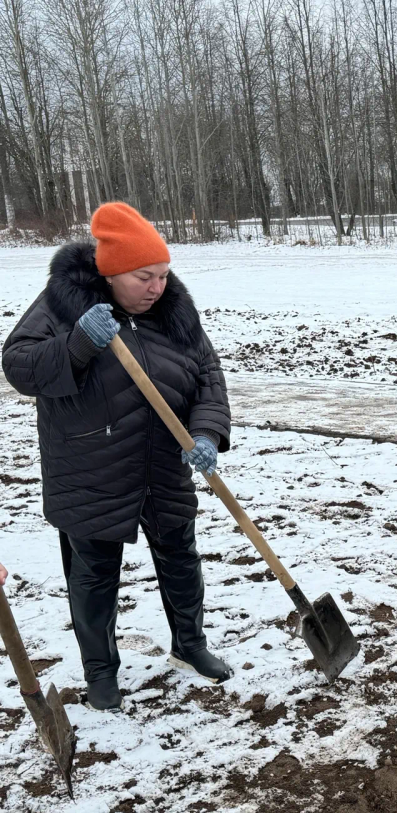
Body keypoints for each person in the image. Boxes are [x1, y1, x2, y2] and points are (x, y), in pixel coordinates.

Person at [2, 203, 233, 712]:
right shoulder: (62, 305)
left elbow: (207, 375)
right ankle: (101, 673)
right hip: (90, 470)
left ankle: (190, 646)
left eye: (164, 274)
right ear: (111, 273)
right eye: (143, 277)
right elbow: (18, 366)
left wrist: (208, 433)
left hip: (163, 464)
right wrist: (78, 343)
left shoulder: (174, 310)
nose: (157, 287)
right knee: (93, 576)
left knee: (180, 558)